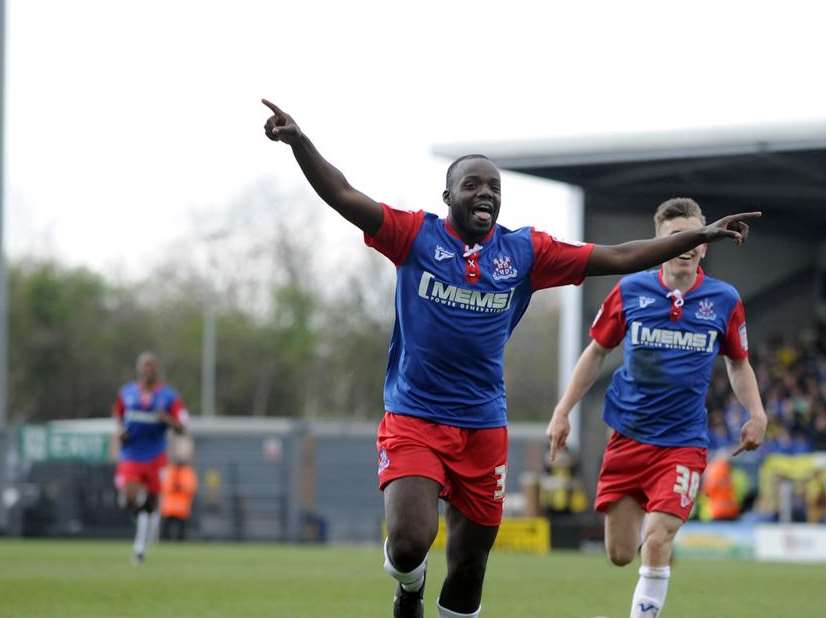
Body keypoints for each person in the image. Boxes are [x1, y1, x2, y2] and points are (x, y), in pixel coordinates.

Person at [262, 100, 760, 618]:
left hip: (482, 425)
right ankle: (409, 587)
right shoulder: (415, 236)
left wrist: (697, 235)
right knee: (410, 541)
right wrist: (300, 142)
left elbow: (615, 256)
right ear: (448, 195)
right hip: (415, 417)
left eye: (494, 188)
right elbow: (344, 195)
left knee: (470, 564)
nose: (485, 194)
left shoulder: (525, 253)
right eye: (473, 185)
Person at [547, 198, 767, 618]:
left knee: (658, 536)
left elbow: (738, 362)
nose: (685, 245)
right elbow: (595, 353)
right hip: (627, 438)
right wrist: (562, 411)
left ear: (704, 244)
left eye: (693, 237)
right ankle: (652, 544)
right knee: (619, 553)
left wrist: (756, 414)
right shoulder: (631, 290)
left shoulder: (724, 299)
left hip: (682, 443)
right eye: (674, 237)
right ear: (658, 243)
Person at [112, 351, 188, 564]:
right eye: (144, 365)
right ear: (139, 368)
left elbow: (183, 426)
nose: (148, 369)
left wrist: (168, 420)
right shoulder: (126, 392)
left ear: (157, 369)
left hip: (156, 455)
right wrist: (120, 432)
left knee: (151, 504)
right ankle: (143, 525)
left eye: (151, 366)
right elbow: (118, 417)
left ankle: (140, 547)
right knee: (129, 497)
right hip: (131, 454)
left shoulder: (169, 396)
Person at [160, 443, 199, 541]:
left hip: (182, 508)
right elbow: (163, 486)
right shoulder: (169, 470)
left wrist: (179, 487)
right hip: (169, 507)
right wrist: (175, 487)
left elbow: (191, 487)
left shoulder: (188, 472)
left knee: (181, 533)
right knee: (166, 532)